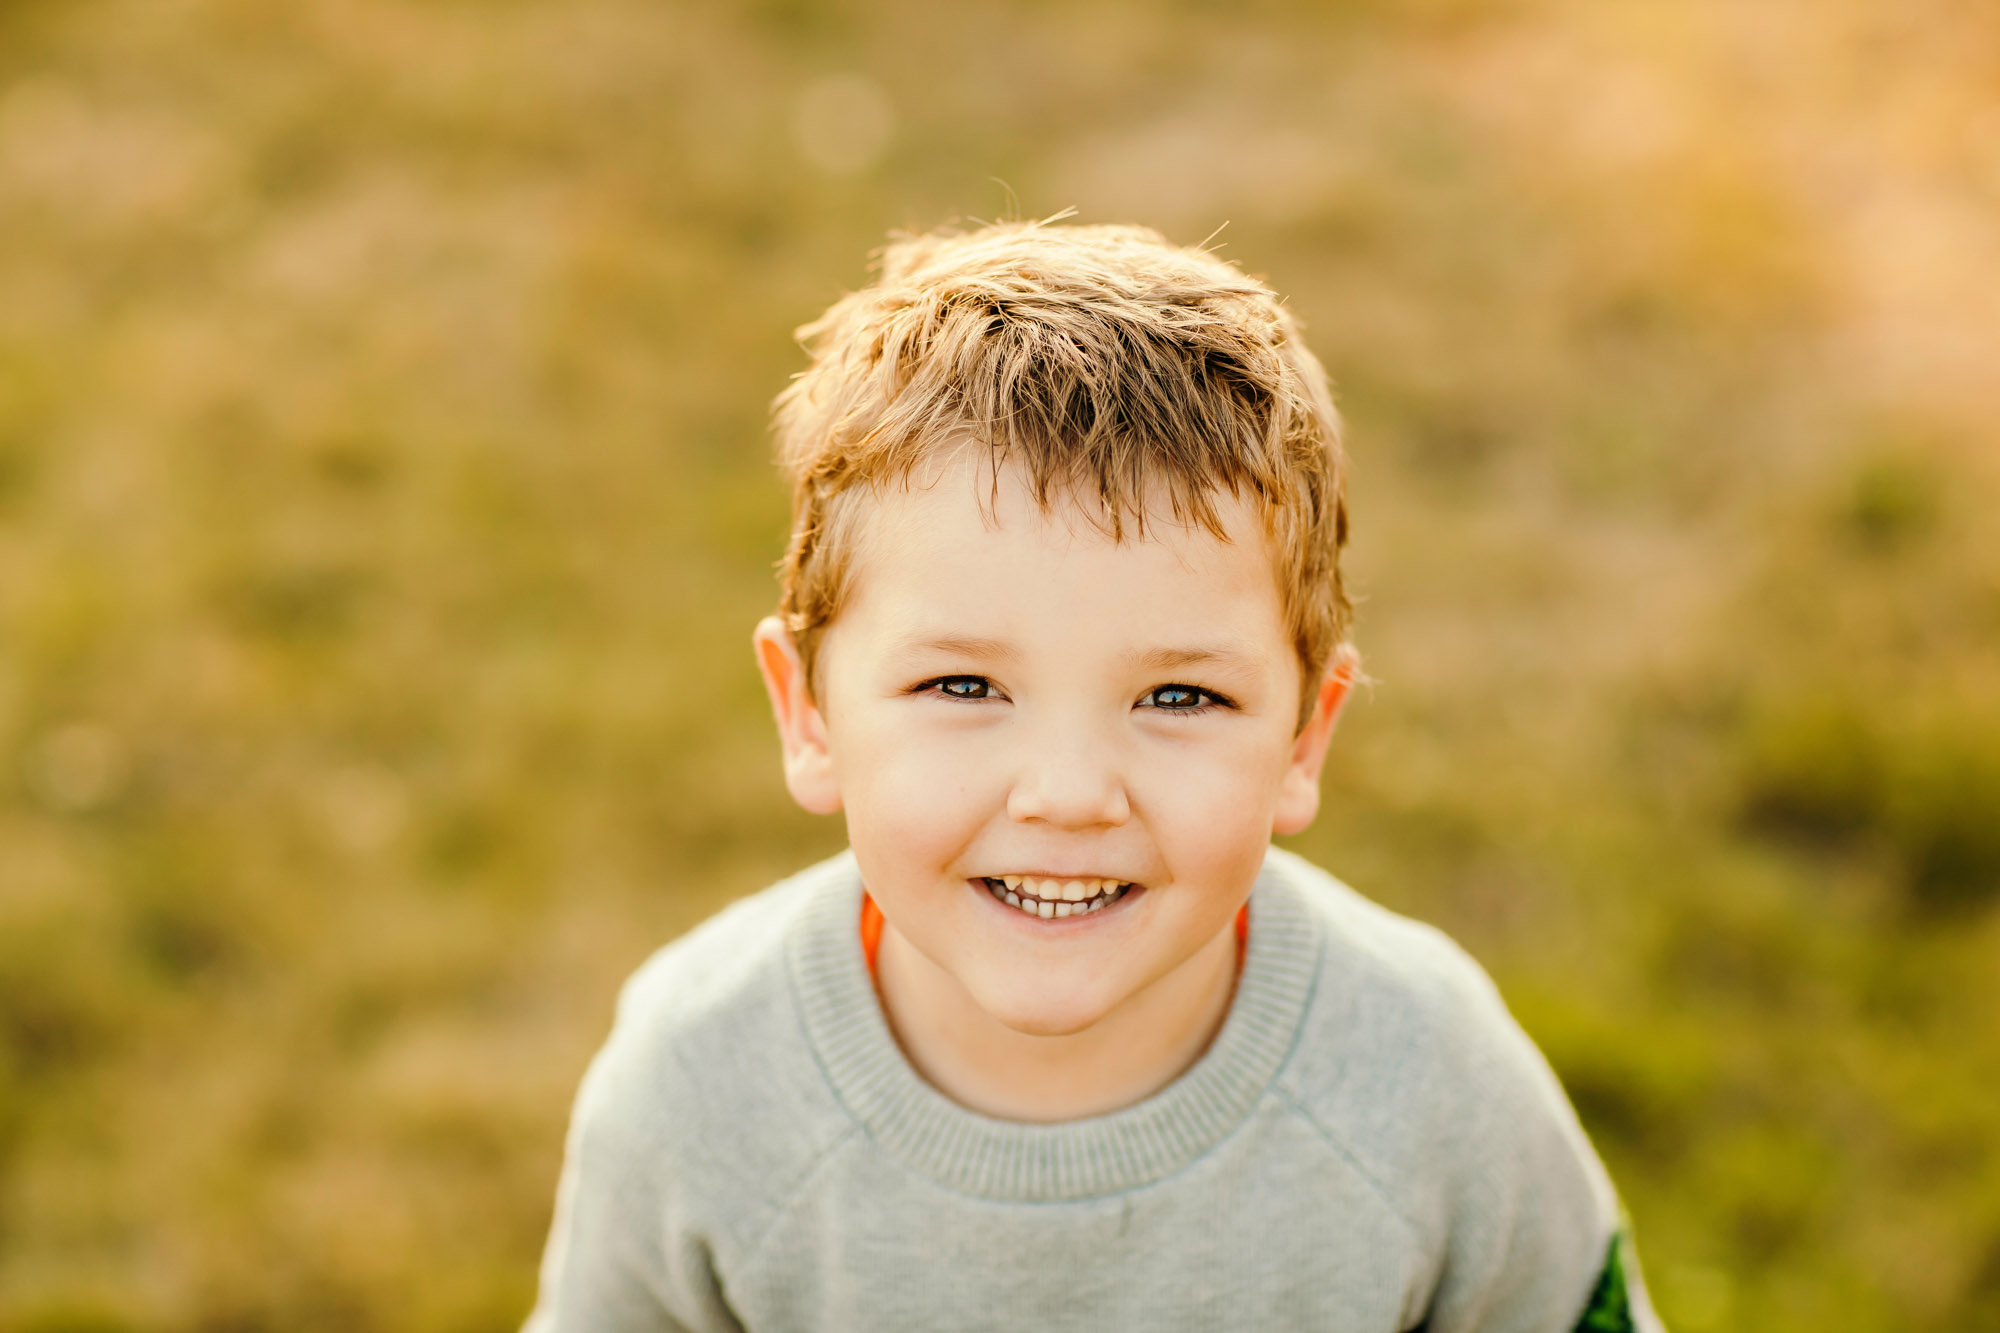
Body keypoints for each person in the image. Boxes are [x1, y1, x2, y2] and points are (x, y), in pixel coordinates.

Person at [524, 220, 1664, 1332]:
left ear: (1304, 741)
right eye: (963, 687)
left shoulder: (1429, 1083)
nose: (1067, 793)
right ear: (808, 712)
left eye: (1178, 698)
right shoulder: (696, 1083)